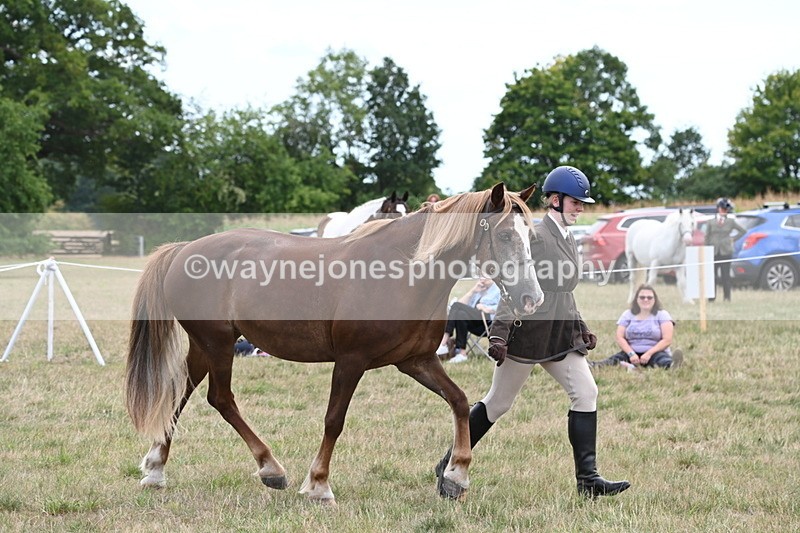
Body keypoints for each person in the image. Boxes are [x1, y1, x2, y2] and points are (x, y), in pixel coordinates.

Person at [434, 165, 630, 498]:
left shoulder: (568, 236)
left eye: (583, 203)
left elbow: (563, 291)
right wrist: (498, 332)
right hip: (527, 333)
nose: (581, 208)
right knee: (498, 403)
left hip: (560, 334)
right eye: (575, 202)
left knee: (586, 393)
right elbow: (517, 284)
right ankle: (448, 464)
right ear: (555, 200)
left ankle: (588, 481)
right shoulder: (536, 237)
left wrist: (580, 326)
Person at [591, 285, 684, 369]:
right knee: (614, 360)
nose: (646, 300)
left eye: (649, 297)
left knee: (662, 360)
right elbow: (620, 337)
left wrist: (648, 354)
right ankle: (592, 366)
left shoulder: (662, 315)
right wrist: (631, 354)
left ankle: (672, 365)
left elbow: (667, 340)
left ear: (655, 300)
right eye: (642, 297)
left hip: (655, 352)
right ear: (636, 299)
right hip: (631, 352)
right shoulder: (627, 314)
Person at [435, 277, 501, 363]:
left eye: (485, 277)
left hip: (487, 322)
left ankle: (444, 341)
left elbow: (505, 307)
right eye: (481, 276)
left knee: (456, 306)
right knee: (461, 314)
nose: (482, 279)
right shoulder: (479, 289)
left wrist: (487, 309)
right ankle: (462, 354)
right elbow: (461, 304)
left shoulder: (498, 290)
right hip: (474, 322)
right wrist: (473, 291)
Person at [705, 198, 746, 302]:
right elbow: (706, 236)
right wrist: (706, 249)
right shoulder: (711, 221)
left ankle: (727, 297)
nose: (723, 211)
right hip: (714, 252)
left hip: (726, 251)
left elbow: (742, 231)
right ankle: (711, 298)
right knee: (712, 276)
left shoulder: (731, 221)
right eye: (722, 208)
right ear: (718, 209)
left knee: (725, 276)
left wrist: (732, 239)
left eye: (725, 209)